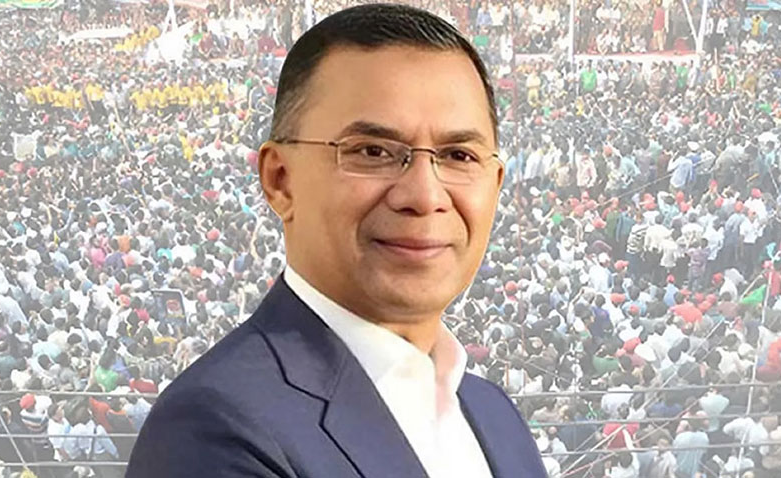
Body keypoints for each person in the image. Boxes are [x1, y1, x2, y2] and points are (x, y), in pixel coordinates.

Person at [127, 4, 545, 478]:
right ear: (281, 180)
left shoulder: (494, 417)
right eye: (373, 151)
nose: (425, 196)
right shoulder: (215, 429)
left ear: (496, 182)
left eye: (458, 155)